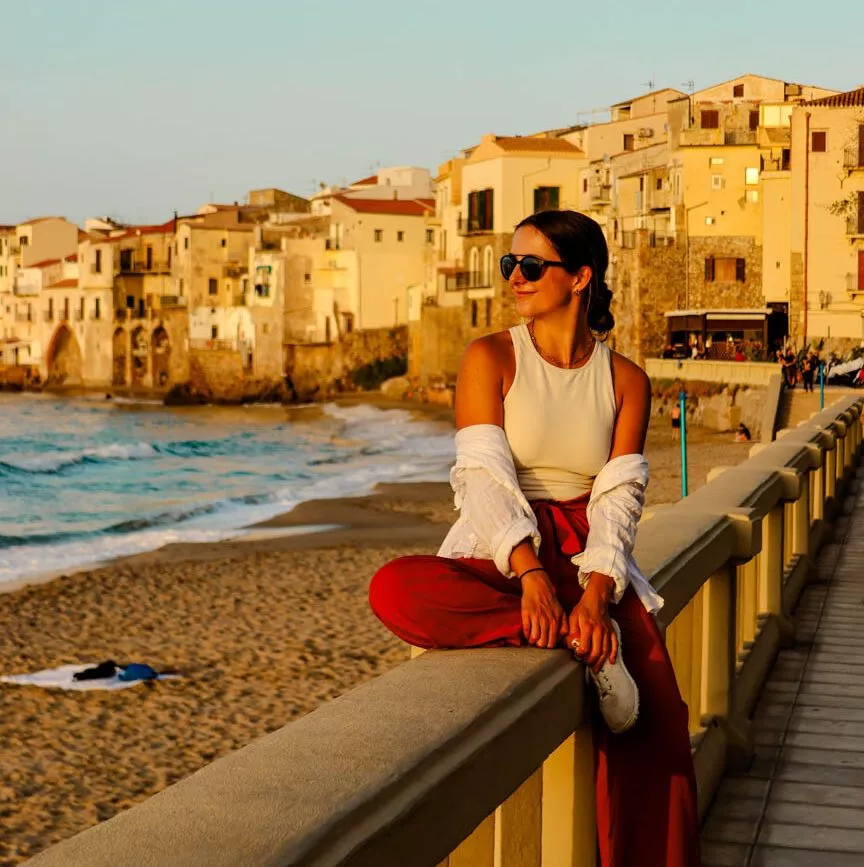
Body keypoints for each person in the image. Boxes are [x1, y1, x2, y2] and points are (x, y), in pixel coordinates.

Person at [369, 210, 700, 867]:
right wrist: (531, 575)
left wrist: (596, 595)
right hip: (507, 542)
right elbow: (484, 481)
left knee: (658, 724)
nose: (514, 278)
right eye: (509, 266)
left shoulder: (626, 379)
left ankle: (587, 639)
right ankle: (579, 645)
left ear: (580, 277)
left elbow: (619, 498)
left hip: (592, 552)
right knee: (395, 590)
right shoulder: (490, 356)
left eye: (530, 266)